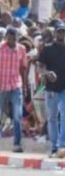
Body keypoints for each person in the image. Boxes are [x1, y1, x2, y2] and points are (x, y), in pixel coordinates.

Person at [0, 27, 28, 152]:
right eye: (9, 39)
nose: (11, 41)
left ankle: (17, 144)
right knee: (0, 115)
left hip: (16, 85)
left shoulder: (21, 49)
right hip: (2, 86)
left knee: (17, 115)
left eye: (14, 39)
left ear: (17, 38)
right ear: (6, 38)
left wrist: (24, 85)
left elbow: (23, 68)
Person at [37, 23, 65, 157]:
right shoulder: (48, 49)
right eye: (59, 32)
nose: (61, 34)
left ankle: (62, 145)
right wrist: (47, 73)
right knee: (52, 118)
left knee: (64, 116)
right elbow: (40, 67)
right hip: (51, 89)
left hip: (64, 88)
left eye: (63, 32)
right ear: (55, 33)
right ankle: (54, 146)